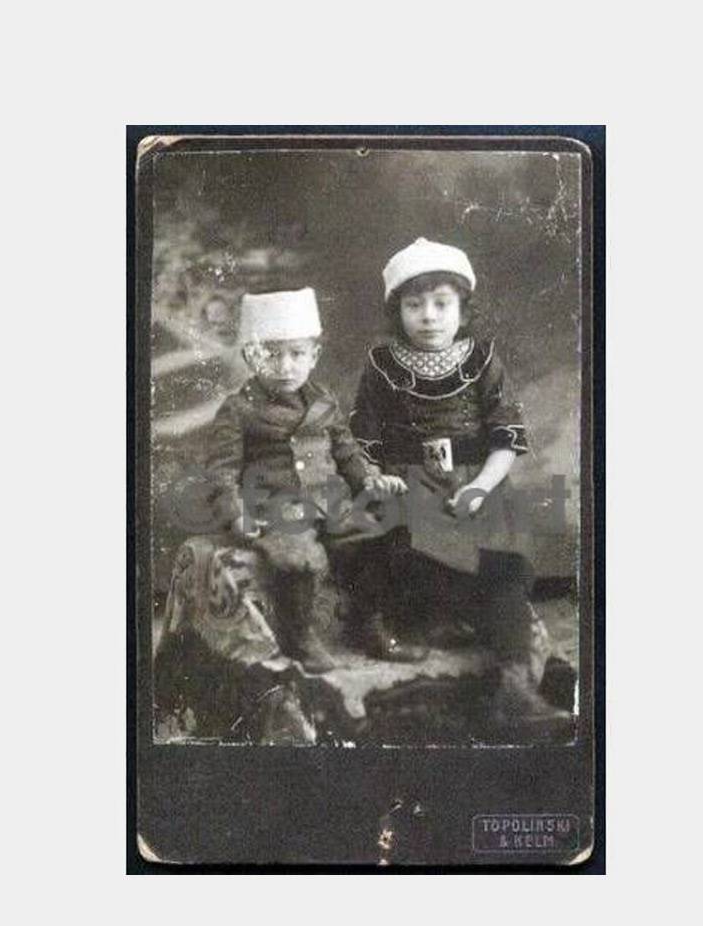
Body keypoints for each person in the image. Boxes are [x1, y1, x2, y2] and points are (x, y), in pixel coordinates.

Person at [348, 238, 560, 728]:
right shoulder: (381, 365)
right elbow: (362, 440)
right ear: (397, 311)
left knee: (504, 568)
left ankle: (514, 686)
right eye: (414, 304)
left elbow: (507, 437)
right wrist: (377, 479)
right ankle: (438, 619)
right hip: (408, 487)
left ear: (463, 309)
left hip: (474, 487)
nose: (428, 316)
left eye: (441, 303)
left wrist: (482, 486)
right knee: (416, 551)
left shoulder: (482, 360)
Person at [203, 287, 399, 675]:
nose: (285, 366)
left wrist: (369, 481)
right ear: (250, 356)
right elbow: (221, 470)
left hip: (331, 501)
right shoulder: (239, 409)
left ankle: (366, 625)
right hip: (276, 507)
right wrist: (236, 514)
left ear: (314, 355)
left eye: (296, 354)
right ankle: (299, 637)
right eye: (271, 354)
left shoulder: (323, 400)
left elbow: (346, 451)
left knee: (371, 539)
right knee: (298, 557)